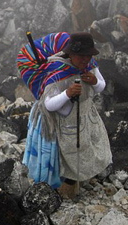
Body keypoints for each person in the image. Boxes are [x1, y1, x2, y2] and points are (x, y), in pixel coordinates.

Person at [22, 32, 112, 199]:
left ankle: (77, 180)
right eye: (82, 56)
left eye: (88, 55)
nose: (86, 59)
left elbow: (101, 86)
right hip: (60, 124)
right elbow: (48, 104)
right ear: (71, 54)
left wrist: (94, 81)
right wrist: (68, 94)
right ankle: (63, 190)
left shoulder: (89, 65)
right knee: (65, 155)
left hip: (84, 117)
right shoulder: (56, 71)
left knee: (86, 148)